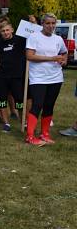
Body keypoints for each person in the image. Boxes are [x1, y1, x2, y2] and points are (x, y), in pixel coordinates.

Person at [25, 13, 67, 146]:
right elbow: (29, 56)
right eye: (48, 23)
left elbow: (64, 52)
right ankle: (30, 136)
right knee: (37, 105)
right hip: (38, 78)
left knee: (49, 106)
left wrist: (64, 60)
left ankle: (45, 134)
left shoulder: (58, 39)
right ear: (42, 24)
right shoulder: (34, 37)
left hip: (55, 77)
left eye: (53, 23)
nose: (51, 26)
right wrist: (52, 58)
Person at [0, 22, 27, 132]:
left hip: (17, 76)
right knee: (2, 101)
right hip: (1, 76)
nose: (5, 33)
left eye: (7, 30)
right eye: (3, 31)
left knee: (20, 101)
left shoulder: (20, 40)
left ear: (12, 30)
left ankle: (23, 122)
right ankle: (6, 123)